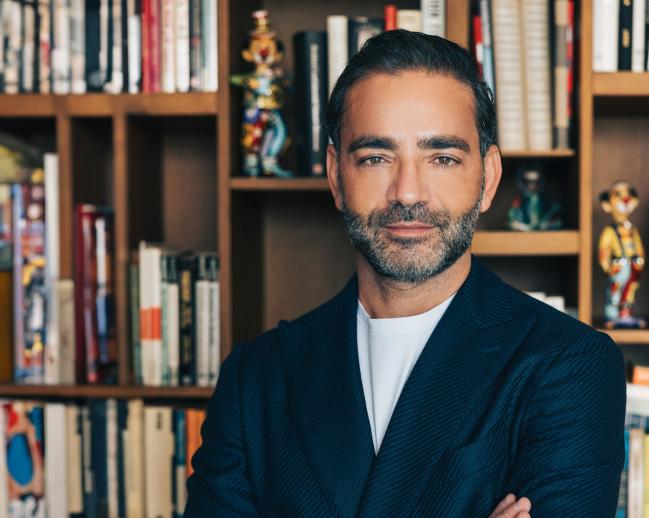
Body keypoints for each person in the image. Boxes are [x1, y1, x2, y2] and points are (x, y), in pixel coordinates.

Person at [185, 29, 626, 517]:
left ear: (488, 179)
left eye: (442, 158)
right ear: (336, 177)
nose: (408, 192)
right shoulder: (256, 379)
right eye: (376, 157)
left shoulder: (568, 366)